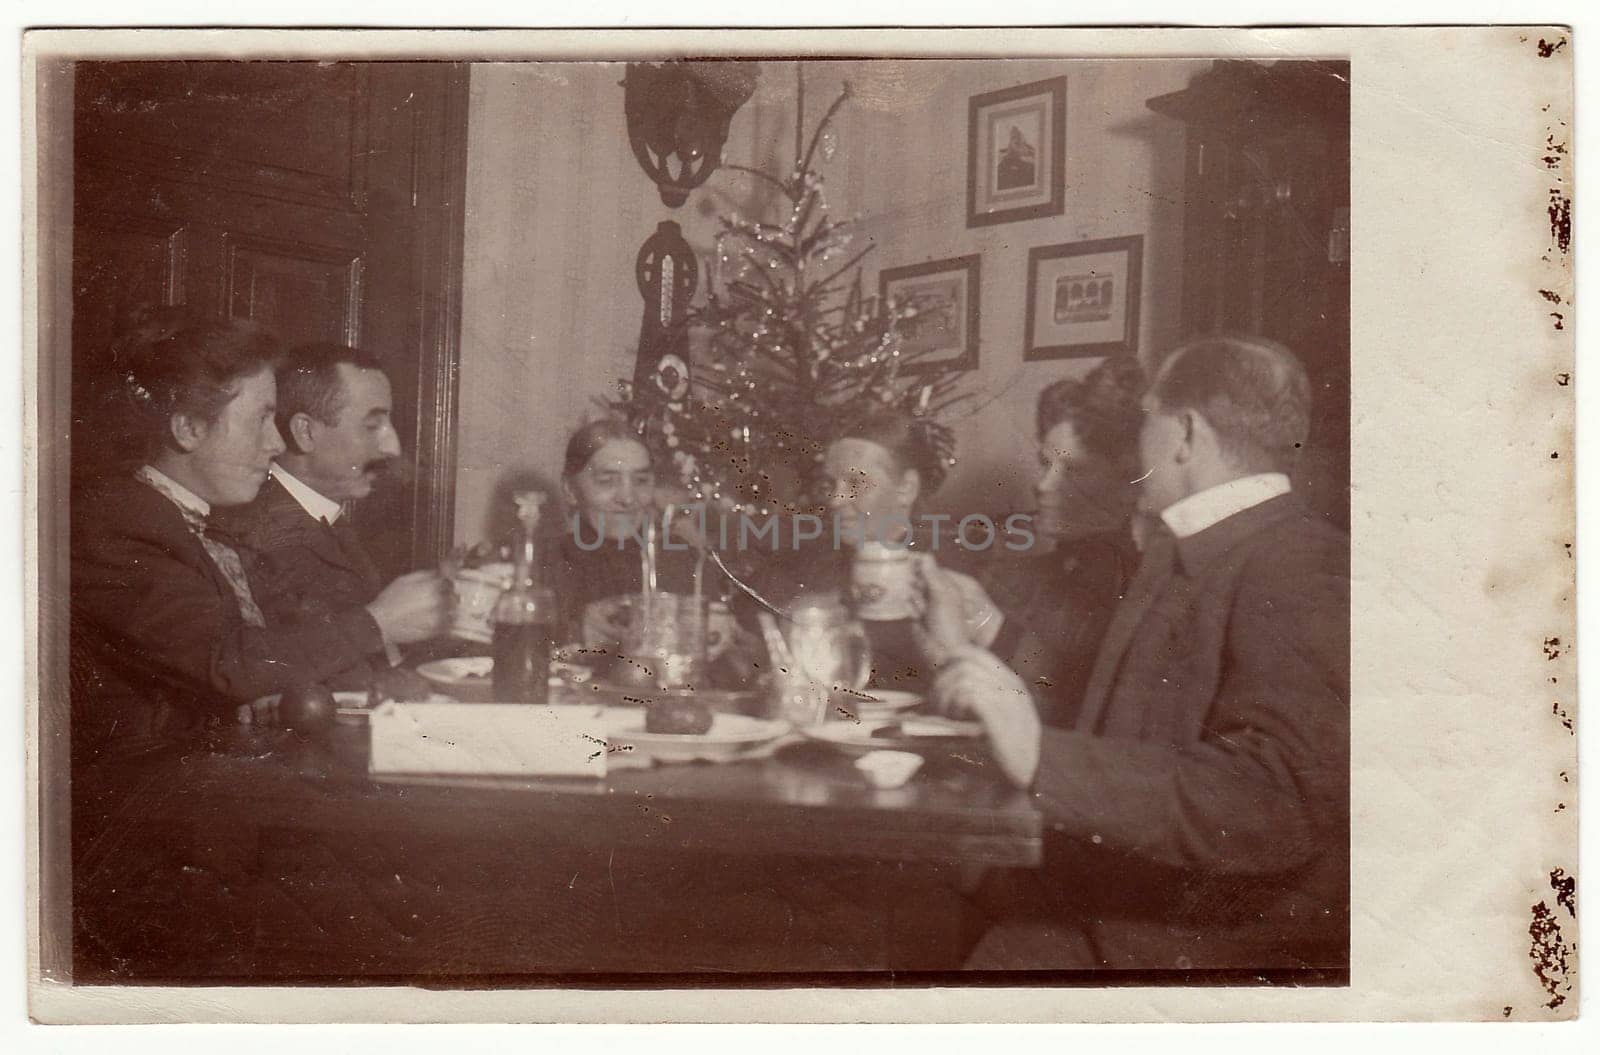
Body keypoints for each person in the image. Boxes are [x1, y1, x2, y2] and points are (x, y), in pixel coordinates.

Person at [929, 336, 1350, 971]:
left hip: (1177, 948)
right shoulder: (1201, 548)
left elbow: (1277, 799)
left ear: (1183, 434)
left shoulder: (1295, 561)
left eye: (1147, 416)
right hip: (1116, 904)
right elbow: (1127, 712)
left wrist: (1041, 753)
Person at [70, 317, 453, 765]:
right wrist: (378, 621)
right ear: (189, 428)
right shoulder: (118, 524)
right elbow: (225, 665)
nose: (276, 443)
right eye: (261, 420)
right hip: (151, 796)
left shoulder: (188, 520)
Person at [216, 342, 442, 690]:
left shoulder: (325, 517)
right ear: (306, 432)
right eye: (372, 426)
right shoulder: (258, 533)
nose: (392, 447)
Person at [980, 358, 1147, 727]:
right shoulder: (1020, 577)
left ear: (1129, 482)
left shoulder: (1146, 586)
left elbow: (1090, 713)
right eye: (1046, 465)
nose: (1043, 486)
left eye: (1073, 470)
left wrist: (991, 627)